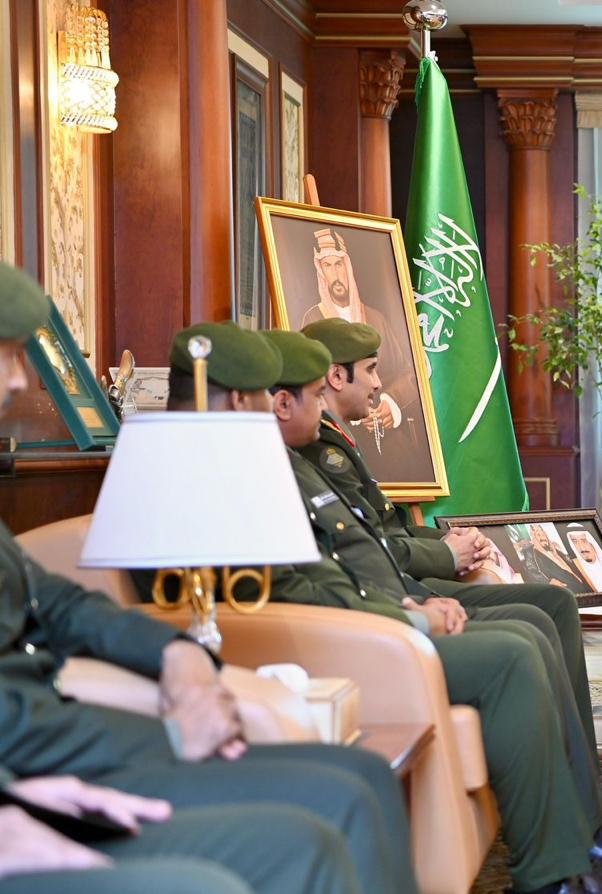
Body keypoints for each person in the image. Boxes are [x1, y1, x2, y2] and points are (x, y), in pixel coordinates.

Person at [0, 263, 413, 893]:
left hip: (67, 740)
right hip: (46, 764)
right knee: (315, 833)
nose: (18, 380)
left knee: (363, 779)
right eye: (6, 355)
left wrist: (176, 654)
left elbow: (57, 603)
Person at [248, 329, 602, 894]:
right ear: (282, 402)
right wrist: (410, 612)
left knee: (543, 612)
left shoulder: (293, 459)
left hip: (388, 607)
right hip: (366, 636)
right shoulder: (267, 471)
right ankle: (555, 870)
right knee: (517, 647)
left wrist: (414, 595)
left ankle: (578, 816)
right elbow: (317, 583)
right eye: (314, 394)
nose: (374, 384)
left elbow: (363, 550)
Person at [297, 318, 602, 827]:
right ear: (335, 377)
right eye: (370, 370)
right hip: (397, 597)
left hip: (404, 585)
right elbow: (372, 550)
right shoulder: (317, 451)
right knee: (536, 618)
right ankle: (577, 806)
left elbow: (386, 529)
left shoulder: (334, 440)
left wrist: (451, 541)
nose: (378, 383)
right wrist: (446, 557)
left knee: (553, 603)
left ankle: (584, 789)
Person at [298, 227, 421, 470]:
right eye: (327, 266)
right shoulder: (312, 321)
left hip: (388, 443)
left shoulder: (376, 319)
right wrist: (354, 412)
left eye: (339, 264)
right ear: (320, 271)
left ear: (348, 266)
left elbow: (409, 373)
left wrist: (391, 403)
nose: (335, 274)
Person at [523, 524, 591, 595]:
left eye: (543, 534)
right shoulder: (530, 551)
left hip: (578, 582)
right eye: (538, 535)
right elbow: (532, 570)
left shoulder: (554, 549)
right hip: (564, 587)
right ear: (533, 537)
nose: (542, 537)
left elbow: (569, 563)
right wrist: (548, 581)